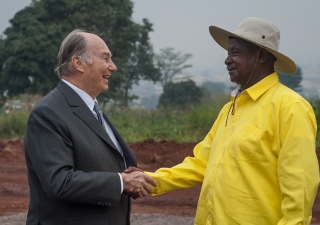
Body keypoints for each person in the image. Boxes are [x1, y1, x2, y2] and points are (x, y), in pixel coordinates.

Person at [143, 17, 319, 224]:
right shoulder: (230, 108)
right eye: (228, 54)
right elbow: (202, 163)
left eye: (234, 53)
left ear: (260, 55)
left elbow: (299, 184)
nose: (227, 60)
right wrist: (149, 181)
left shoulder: (289, 107)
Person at [24, 29, 157, 225]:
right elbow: (59, 182)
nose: (113, 67)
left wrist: (125, 179)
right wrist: (120, 182)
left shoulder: (90, 108)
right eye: (106, 58)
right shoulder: (48, 113)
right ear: (78, 63)